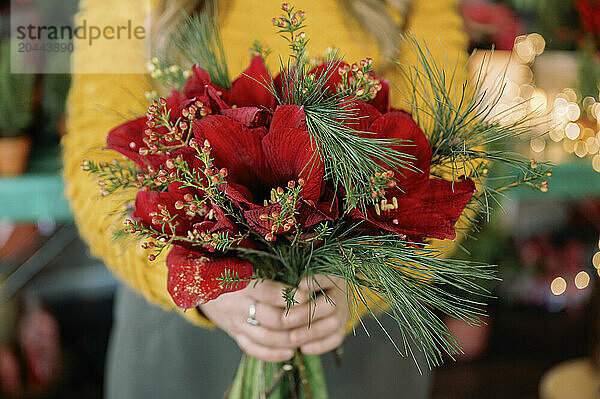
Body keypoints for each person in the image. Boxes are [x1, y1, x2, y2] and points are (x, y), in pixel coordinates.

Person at [63, 0, 467, 397]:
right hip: (183, 335)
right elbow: (95, 162)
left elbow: (451, 163)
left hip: (357, 331)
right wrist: (200, 283)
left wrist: (365, 283)